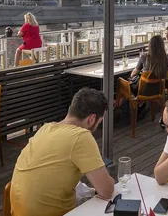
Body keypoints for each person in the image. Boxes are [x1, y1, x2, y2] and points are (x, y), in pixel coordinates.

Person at [10, 88, 114, 216]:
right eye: (99, 122)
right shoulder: (81, 136)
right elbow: (106, 191)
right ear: (91, 119)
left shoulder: (45, 128)